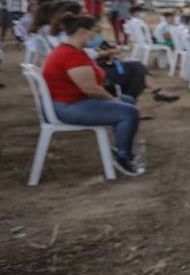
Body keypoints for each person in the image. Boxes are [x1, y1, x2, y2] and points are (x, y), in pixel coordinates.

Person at [42, 14, 144, 176]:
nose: (96, 36)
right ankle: (124, 158)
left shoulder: (71, 51)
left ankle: (121, 147)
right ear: (82, 32)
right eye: (94, 32)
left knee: (128, 101)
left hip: (66, 103)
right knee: (129, 111)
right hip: (68, 107)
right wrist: (113, 100)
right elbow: (90, 89)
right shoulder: (71, 55)